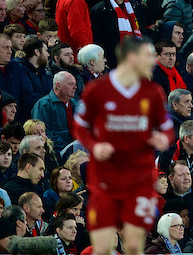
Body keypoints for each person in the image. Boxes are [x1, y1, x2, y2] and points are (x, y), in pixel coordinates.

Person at [73, 37, 173, 255]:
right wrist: (94, 146)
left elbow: (167, 127)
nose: (153, 62)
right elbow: (80, 127)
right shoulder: (97, 90)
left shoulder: (153, 91)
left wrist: (163, 139)